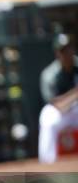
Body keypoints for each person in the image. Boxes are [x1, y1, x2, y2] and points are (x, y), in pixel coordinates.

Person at [38, 33, 78, 163]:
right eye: (63, 50)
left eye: (69, 49)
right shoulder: (49, 74)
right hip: (60, 113)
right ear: (57, 53)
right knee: (47, 118)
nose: (67, 53)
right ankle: (48, 164)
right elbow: (58, 106)